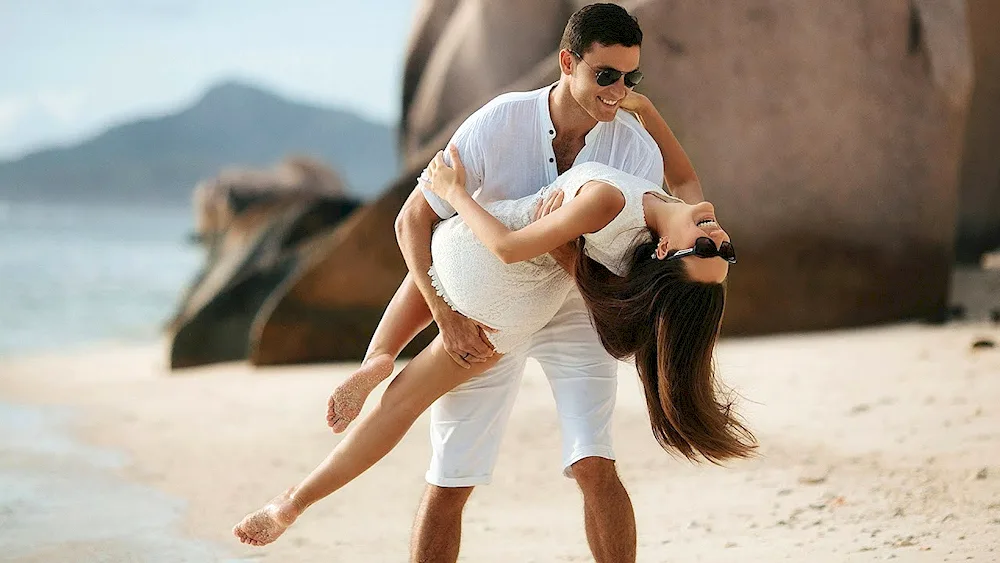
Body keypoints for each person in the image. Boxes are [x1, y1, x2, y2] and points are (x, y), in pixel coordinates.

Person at [233, 4, 755, 561]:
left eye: (631, 79)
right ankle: (377, 362)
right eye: (607, 75)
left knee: (594, 461)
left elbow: (617, 251)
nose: (619, 90)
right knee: (451, 476)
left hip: (566, 297)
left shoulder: (631, 155)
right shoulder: (502, 121)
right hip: (492, 288)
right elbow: (412, 219)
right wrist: (450, 320)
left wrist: (557, 246)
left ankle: (360, 392)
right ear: (565, 63)